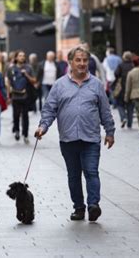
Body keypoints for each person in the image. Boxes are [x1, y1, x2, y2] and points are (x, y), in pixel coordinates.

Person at [35, 46, 115, 222]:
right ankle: (79, 208)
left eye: (85, 60)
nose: (82, 63)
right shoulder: (59, 85)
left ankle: (93, 205)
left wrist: (110, 131)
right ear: (70, 62)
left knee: (91, 172)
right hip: (68, 138)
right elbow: (49, 109)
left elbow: (105, 110)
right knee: (73, 175)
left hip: (91, 138)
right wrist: (43, 127)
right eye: (78, 60)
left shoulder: (96, 85)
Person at [7, 50, 37, 143]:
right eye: (20, 56)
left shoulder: (28, 68)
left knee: (25, 115)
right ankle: (16, 130)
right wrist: (9, 94)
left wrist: (26, 74)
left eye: (23, 56)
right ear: (16, 57)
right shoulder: (11, 68)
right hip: (15, 95)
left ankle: (26, 134)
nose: (22, 57)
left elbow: (34, 80)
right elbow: (8, 81)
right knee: (16, 115)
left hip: (26, 95)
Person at [113, 51, 135, 128]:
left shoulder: (120, 65)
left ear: (124, 57)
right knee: (130, 106)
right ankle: (130, 123)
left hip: (121, 88)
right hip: (131, 88)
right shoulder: (133, 65)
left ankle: (123, 117)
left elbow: (116, 74)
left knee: (120, 104)